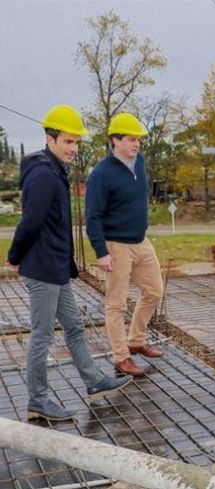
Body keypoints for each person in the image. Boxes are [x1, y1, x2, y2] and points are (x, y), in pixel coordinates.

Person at [6, 104, 132, 421]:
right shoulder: (43, 176)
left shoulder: (55, 170)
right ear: (50, 139)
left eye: (76, 142)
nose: (73, 148)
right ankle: (37, 401)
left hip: (57, 267)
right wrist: (14, 256)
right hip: (43, 269)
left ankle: (93, 381)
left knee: (74, 326)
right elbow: (30, 223)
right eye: (67, 142)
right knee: (42, 335)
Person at [86, 112, 163, 377]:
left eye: (139, 139)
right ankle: (122, 357)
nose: (137, 144)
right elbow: (93, 217)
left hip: (141, 242)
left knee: (154, 291)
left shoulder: (139, 162)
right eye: (131, 139)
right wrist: (101, 252)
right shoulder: (101, 175)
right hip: (116, 246)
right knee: (116, 304)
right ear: (115, 141)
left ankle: (136, 340)